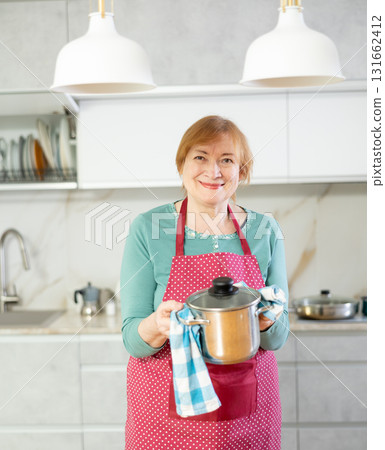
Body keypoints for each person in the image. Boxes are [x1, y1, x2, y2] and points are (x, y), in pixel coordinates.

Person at [120, 115, 290, 449]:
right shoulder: (147, 228)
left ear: (241, 171)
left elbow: (278, 338)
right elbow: (132, 339)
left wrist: (265, 317)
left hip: (248, 409)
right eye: (201, 157)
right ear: (181, 164)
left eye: (227, 160)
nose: (214, 172)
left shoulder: (265, 231)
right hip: (164, 414)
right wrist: (158, 324)